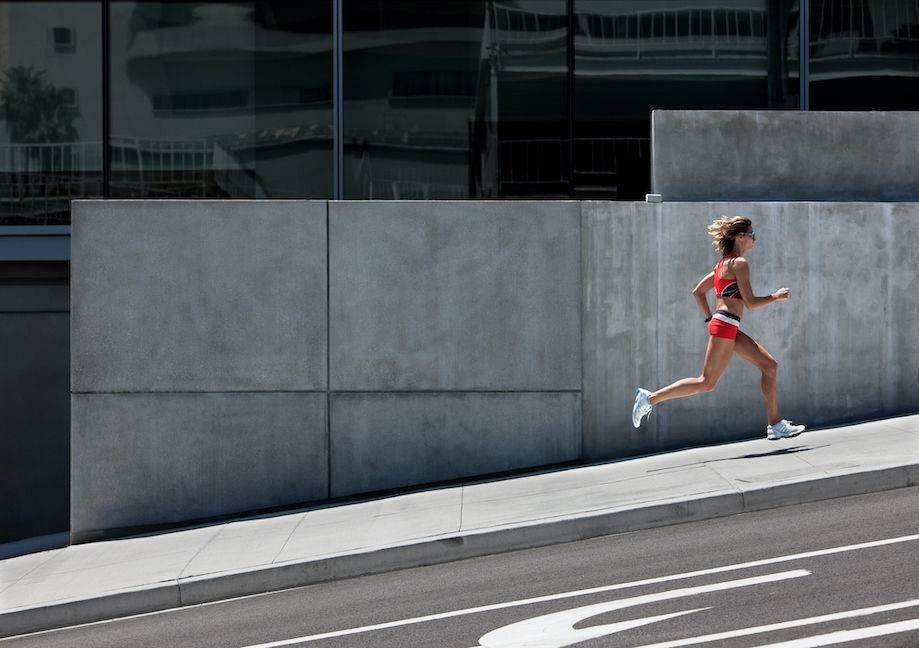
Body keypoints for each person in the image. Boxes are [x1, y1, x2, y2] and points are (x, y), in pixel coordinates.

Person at [631, 216, 805, 440]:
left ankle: (774, 424)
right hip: (725, 325)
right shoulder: (739, 264)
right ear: (740, 237)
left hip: (726, 324)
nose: (755, 239)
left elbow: (698, 291)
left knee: (769, 366)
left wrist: (709, 319)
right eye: (752, 235)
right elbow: (750, 303)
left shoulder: (722, 265)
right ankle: (648, 399)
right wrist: (776, 297)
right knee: (706, 382)